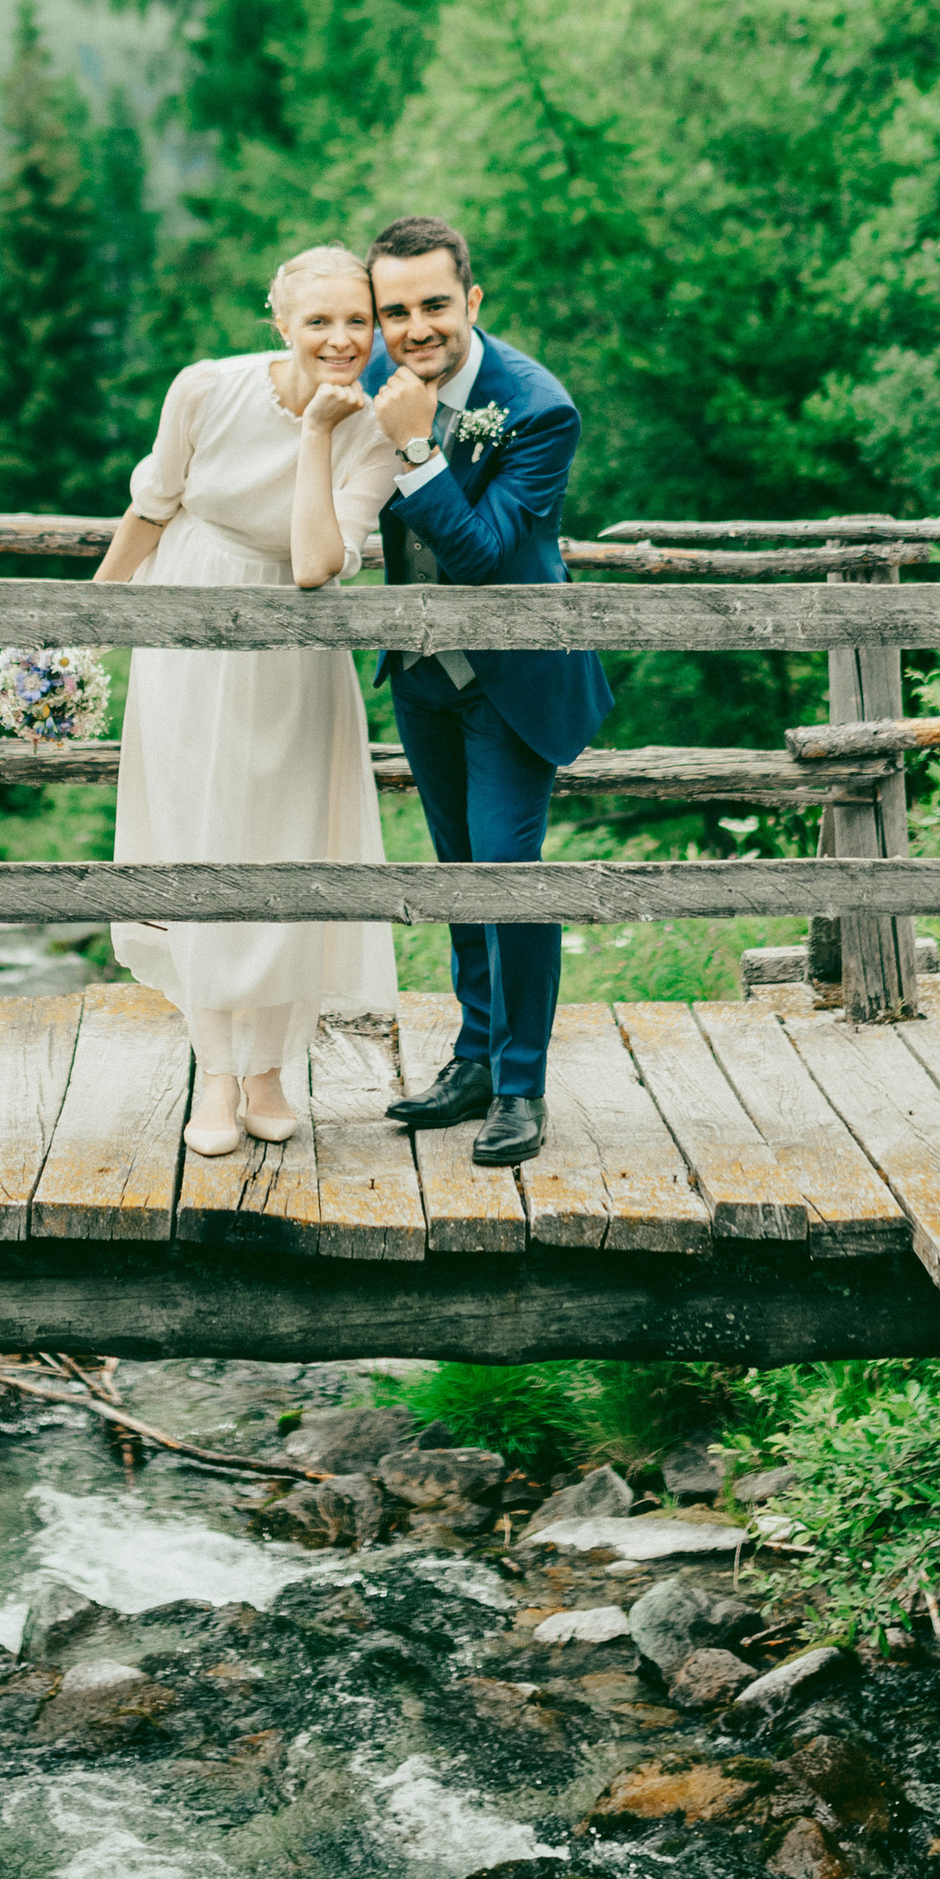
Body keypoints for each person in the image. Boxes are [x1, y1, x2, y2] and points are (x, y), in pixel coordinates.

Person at [96, 247, 398, 1157]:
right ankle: (217, 1077)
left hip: (296, 651)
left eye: (358, 322)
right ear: (282, 324)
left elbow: (315, 566)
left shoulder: (377, 429)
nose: (341, 340)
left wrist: (316, 434)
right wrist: (80, 623)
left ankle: (273, 1069)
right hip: (190, 629)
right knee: (203, 843)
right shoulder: (204, 389)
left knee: (289, 849)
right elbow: (151, 511)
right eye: (320, 322)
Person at [359, 215, 612, 1169]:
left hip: (513, 677)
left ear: (471, 299)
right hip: (423, 675)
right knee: (459, 875)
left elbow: (478, 552)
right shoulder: (377, 385)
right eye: (396, 310)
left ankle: (519, 1084)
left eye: (433, 304)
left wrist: (420, 451)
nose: (416, 327)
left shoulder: (537, 408)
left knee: (511, 879)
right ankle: (469, 1059)